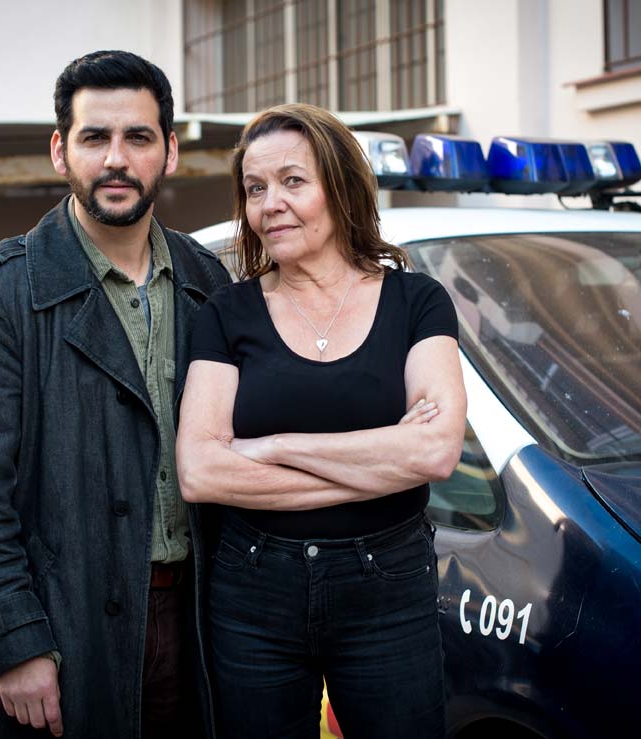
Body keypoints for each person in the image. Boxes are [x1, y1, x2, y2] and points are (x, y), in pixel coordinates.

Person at [0, 50, 229, 738]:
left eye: (139, 137)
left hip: (201, 626)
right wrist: (15, 641)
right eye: (96, 137)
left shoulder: (208, 281)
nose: (116, 158)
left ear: (171, 151)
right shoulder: (0, 289)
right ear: (61, 151)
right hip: (65, 630)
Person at [176, 103, 466, 738]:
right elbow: (199, 471)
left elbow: (436, 453)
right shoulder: (227, 314)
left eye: (292, 181)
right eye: (255, 189)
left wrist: (271, 445)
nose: (269, 203)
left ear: (339, 186)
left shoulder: (416, 301)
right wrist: (380, 463)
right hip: (255, 588)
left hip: (387, 585)